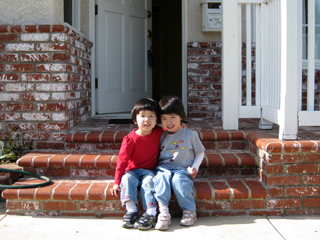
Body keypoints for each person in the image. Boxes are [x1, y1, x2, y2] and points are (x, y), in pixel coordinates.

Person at [153, 96, 205, 231]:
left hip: (182, 169)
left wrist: (195, 167)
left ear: (181, 117)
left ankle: (189, 210)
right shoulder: (161, 135)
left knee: (179, 181)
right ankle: (163, 212)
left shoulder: (190, 134)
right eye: (164, 118)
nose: (168, 122)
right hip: (164, 169)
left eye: (173, 117)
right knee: (160, 179)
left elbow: (200, 153)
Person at [110, 98, 162, 230]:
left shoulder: (159, 133)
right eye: (142, 116)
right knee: (126, 179)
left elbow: (173, 130)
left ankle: (151, 212)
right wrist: (117, 182)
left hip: (149, 171)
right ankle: (131, 210)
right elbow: (122, 162)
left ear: (157, 120)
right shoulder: (130, 139)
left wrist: (182, 125)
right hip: (132, 171)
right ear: (135, 120)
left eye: (151, 116)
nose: (147, 119)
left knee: (149, 182)